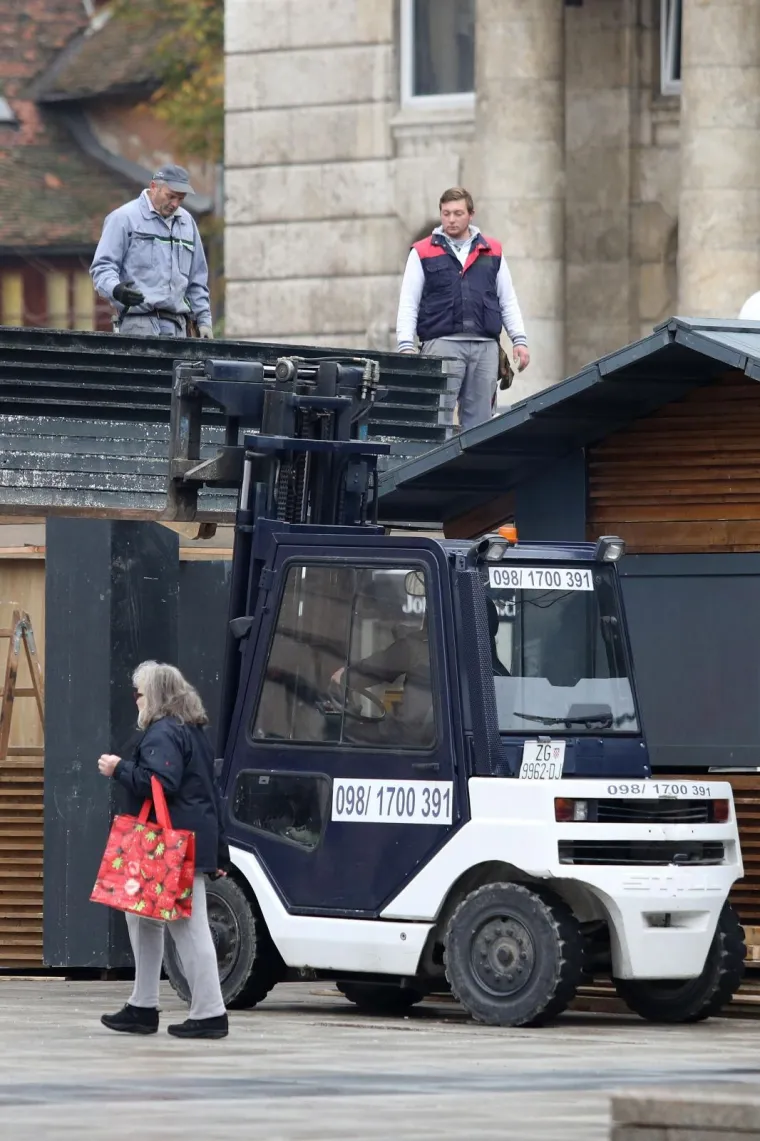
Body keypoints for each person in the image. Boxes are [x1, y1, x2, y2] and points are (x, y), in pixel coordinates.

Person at [97, 661, 229, 1040]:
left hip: (169, 849)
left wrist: (118, 768)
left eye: (138, 693)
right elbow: (210, 796)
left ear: (153, 695)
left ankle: (209, 1013)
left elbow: (160, 782)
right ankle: (142, 1004)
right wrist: (219, 852)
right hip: (190, 842)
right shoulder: (192, 731)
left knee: (187, 928)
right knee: (143, 919)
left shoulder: (163, 732)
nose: (135, 700)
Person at [396, 186, 530, 431]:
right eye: (446, 213)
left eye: (457, 213)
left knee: (480, 427)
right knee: (435, 422)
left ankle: (476, 469)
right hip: (440, 344)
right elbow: (408, 302)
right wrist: (405, 346)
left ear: (471, 214)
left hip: (485, 348)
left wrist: (519, 340)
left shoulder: (493, 250)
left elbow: (507, 299)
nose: (451, 219)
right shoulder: (422, 252)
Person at [90, 165, 213, 339]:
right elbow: (102, 267)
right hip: (138, 324)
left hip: (179, 327)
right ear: (154, 187)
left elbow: (197, 280)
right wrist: (115, 289)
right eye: (170, 196)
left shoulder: (187, 223)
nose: (175, 204)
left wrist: (204, 321)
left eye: (180, 198)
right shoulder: (124, 218)